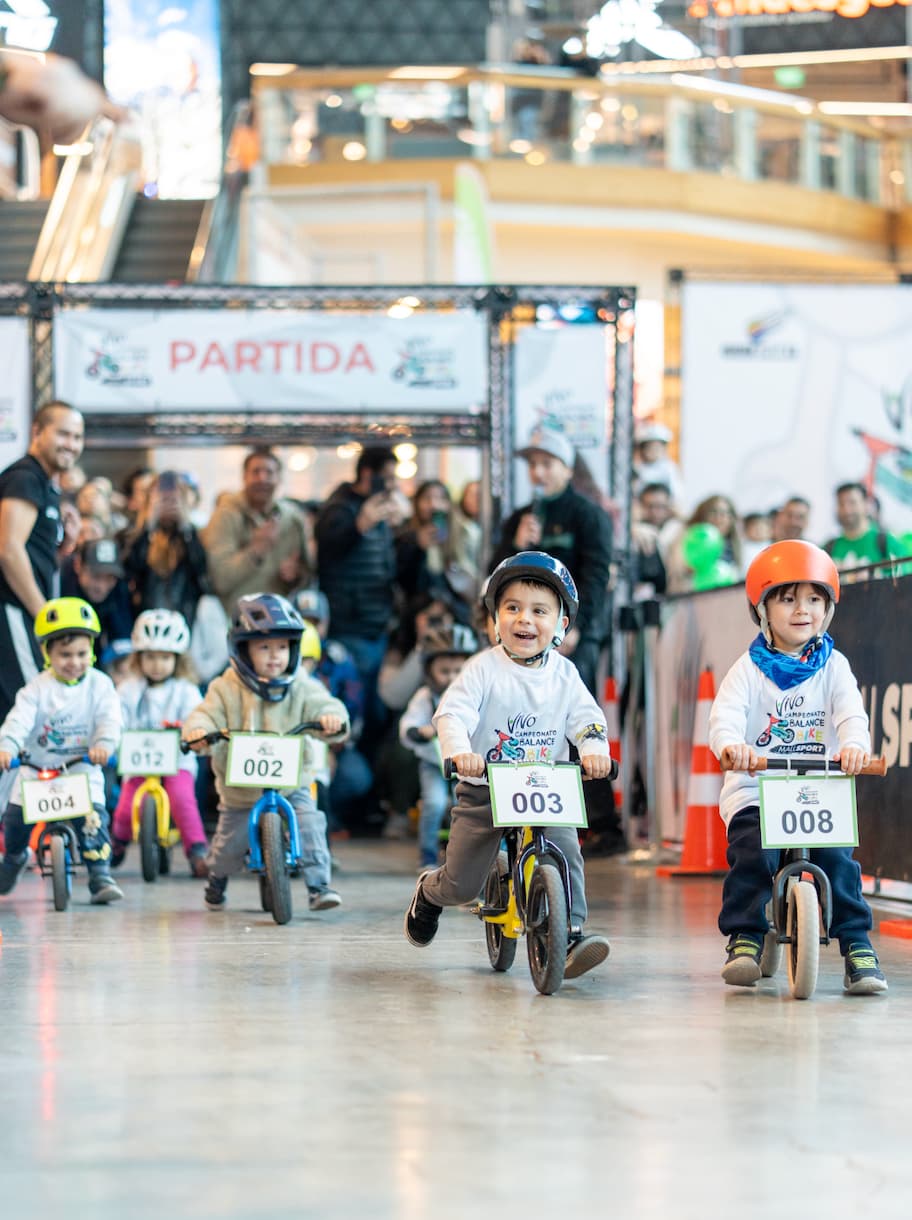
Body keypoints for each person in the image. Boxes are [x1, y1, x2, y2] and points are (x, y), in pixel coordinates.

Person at [404, 551, 612, 979]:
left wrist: (594, 748)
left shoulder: (565, 675)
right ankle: (430, 891)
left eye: (539, 611)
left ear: (561, 625)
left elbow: (586, 718)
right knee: (463, 882)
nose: (525, 620)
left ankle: (569, 931)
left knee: (566, 848)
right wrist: (459, 751)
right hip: (485, 785)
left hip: (546, 784)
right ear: (494, 620)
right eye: (512, 608)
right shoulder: (482, 670)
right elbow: (452, 714)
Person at [708, 540, 887, 995]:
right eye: (787, 598)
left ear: (827, 609)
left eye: (813, 598)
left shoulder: (834, 667)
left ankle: (856, 944)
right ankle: (746, 936)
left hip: (818, 789)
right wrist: (732, 747)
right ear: (763, 609)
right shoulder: (747, 670)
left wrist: (854, 747)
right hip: (759, 788)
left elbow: (851, 715)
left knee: (840, 863)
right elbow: (724, 717)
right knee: (753, 854)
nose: (801, 609)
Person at [182, 593, 349, 913]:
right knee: (229, 845)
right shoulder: (226, 686)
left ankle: (318, 885)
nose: (275, 656)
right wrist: (198, 732)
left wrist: (332, 719)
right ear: (243, 649)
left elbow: (326, 704)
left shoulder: (300, 684)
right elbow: (205, 713)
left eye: (282, 647)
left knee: (310, 823)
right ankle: (217, 879)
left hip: (292, 783)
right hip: (240, 791)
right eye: (264, 647)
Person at [0, 597, 123, 903]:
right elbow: (19, 720)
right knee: (15, 821)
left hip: (79, 765)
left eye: (82, 653)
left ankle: (99, 873)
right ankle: (14, 858)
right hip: (36, 767)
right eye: (64, 654)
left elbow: (110, 719)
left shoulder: (100, 685)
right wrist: (7, 746)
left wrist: (103, 745)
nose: (74, 661)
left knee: (93, 819)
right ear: (47, 653)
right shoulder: (35, 689)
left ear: (92, 650)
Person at [491, 424, 612, 694]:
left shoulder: (589, 516)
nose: (538, 472)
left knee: (574, 718)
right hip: (526, 635)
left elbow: (596, 577)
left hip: (575, 639)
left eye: (547, 463)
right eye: (533, 465)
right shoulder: (519, 518)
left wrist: (575, 627)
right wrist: (515, 544)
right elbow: (494, 575)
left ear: (567, 469)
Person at [315, 446, 402, 761]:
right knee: (357, 708)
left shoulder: (377, 510)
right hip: (349, 625)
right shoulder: (340, 509)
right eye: (387, 477)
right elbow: (328, 552)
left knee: (376, 708)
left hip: (376, 625)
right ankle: (356, 785)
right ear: (368, 474)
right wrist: (358, 527)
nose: (391, 485)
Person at [0, 401, 84, 722]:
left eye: (78, 437)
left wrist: (65, 546)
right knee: (26, 714)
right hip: (13, 611)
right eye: (63, 434)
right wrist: (45, 615)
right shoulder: (25, 478)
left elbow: (31, 552)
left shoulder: (45, 483)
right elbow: (8, 549)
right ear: (37, 431)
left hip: (23, 613)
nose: (72, 444)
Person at [110, 610, 208, 877]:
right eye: (150, 656)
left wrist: (192, 729)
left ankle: (197, 851)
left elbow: (196, 716)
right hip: (139, 760)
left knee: (183, 798)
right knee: (127, 804)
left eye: (164, 657)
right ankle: (116, 844)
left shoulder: (185, 690)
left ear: (177, 659)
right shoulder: (128, 689)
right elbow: (116, 718)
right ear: (139, 657)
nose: (157, 664)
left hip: (177, 760)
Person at [400, 623, 478, 871]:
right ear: (429, 670)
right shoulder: (426, 697)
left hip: (468, 766)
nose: (452, 678)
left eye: (459, 670)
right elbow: (408, 724)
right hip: (434, 763)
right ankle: (427, 856)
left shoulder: (476, 696)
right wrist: (418, 731)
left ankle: (466, 856)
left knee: (467, 807)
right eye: (445, 671)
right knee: (433, 803)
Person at [203, 448, 312, 615]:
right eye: (256, 472)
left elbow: (308, 577)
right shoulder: (225, 516)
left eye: (269, 472)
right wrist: (256, 551)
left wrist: (295, 576)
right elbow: (220, 580)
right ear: (244, 476)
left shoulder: (293, 519)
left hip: (280, 618)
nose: (262, 478)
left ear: (279, 478)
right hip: (237, 621)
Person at [122, 470, 209, 627]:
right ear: (150, 501)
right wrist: (149, 524)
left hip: (184, 621)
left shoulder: (192, 535)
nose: (168, 505)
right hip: (144, 621)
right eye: (163, 499)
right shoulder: (133, 535)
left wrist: (185, 526)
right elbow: (131, 569)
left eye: (173, 499)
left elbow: (201, 573)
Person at [0, 49, 124, 146]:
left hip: (12, 79)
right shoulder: (84, 110)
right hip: (12, 91)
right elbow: (61, 139)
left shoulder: (83, 87)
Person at [59, 537, 135, 659]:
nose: (102, 586)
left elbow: (123, 637)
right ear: (78, 565)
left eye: (109, 578)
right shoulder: (60, 582)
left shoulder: (119, 585)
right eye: (96, 576)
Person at [823, 482, 903, 573]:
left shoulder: (888, 543)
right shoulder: (827, 549)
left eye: (852, 502)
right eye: (841, 504)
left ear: (866, 504)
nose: (846, 510)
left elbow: (903, 582)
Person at [632, 421, 682, 504]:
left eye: (657, 448)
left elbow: (676, 494)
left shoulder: (669, 468)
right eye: (649, 447)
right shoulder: (637, 468)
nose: (653, 451)